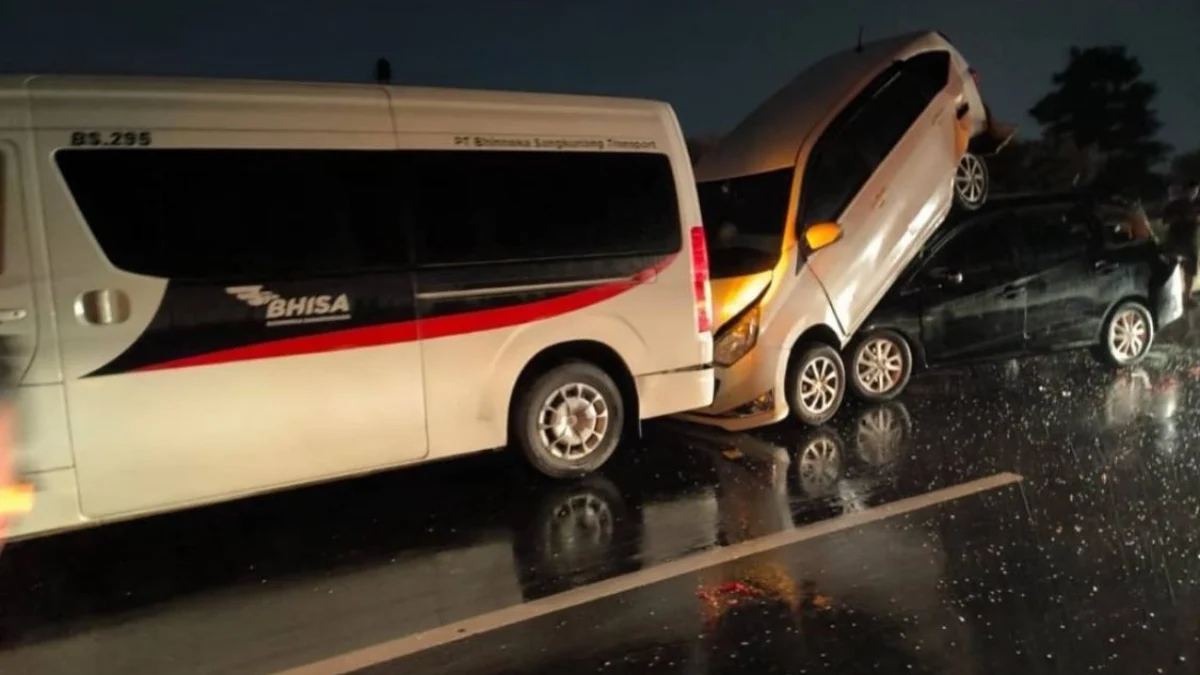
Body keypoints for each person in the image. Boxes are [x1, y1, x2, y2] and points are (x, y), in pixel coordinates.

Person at [1163, 181, 1200, 304]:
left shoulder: (1190, 205)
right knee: (1184, 270)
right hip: (1184, 243)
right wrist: (1184, 218)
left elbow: (1165, 221)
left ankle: (1185, 297)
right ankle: (1182, 297)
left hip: (1178, 242)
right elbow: (1166, 221)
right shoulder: (1181, 206)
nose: (1196, 192)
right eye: (1195, 190)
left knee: (1186, 270)